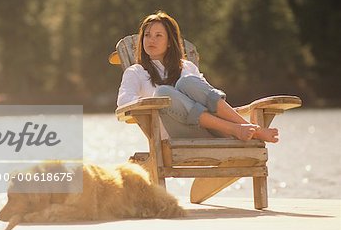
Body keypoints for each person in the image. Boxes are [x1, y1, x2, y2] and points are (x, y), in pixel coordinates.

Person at [116, 11, 279, 143]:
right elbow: (123, 103)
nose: (151, 40)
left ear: (169, 42)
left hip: (214, 130)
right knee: (164, 92)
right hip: (176, 135)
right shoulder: (135, 72)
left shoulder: (187, 67)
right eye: (147, 35)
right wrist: (156, 103)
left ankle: (248, 128)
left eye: (158, 35)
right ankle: (241, 129)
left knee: (188, 82)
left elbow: (209, 97)